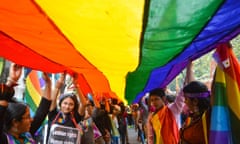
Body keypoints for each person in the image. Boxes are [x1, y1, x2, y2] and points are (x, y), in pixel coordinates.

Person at [0, 63, 52, 143]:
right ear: (15, 122)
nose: (31, 120)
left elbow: (42, 112)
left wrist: (48, 83)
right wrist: (10, 81)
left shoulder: (27, 135)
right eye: (27, 117)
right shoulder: (4, 139)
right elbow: (1, 107)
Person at [47, 73, 87, 143]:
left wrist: (77, 86)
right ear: (60, 104)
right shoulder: (53, 114)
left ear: (74, 106)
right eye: (65, 103)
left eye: (71, 104)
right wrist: (58, 86)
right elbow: (52, 100)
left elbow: (83, 104)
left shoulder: (75, 117)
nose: (67, 106)